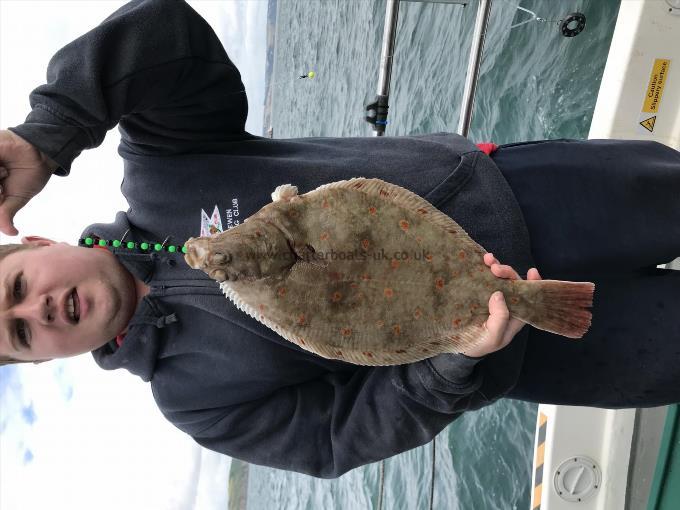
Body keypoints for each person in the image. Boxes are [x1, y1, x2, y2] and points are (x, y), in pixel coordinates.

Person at [1, 0, 679, 478]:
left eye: (16, 289)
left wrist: (45, 134)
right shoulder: (196, 401)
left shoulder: (161, 165)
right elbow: (336, 437)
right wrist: (453, 361)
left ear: (33, 243)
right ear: (40, 363)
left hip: (529, 196)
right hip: (528, 349)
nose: (39, 310)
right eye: (21, 333)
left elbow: (165, 34)